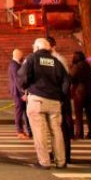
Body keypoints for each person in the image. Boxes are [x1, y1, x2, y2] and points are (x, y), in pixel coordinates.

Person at [17, 37, 70, 169]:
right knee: (56, 131)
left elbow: (22, 76)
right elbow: (66, 80)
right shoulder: (56, 61)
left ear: (37, 47)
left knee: (39, 131)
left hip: (37, 99)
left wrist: (25, 88)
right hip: (54, 100)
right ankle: (61, 161)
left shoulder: (32, 58)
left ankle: (44, 161)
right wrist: (61, 96)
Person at [69, 51, 91, 140]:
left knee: (79, 114)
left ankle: (79, 133)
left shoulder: (76, 67)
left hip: (80, 92)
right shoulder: (88, 65)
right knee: (90, 113)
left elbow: (71, 78)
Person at [8, 48, 31, 139]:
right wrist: (23, 94)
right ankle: (19, 131)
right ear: (18, 55)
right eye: (21, 54)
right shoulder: (14, 65)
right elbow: (17, 81)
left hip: (17, 92)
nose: (23, 56)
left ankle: (25, 130)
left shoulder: (15, 64)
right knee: (19, 112)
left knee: (23, 111)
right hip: (18, 93)